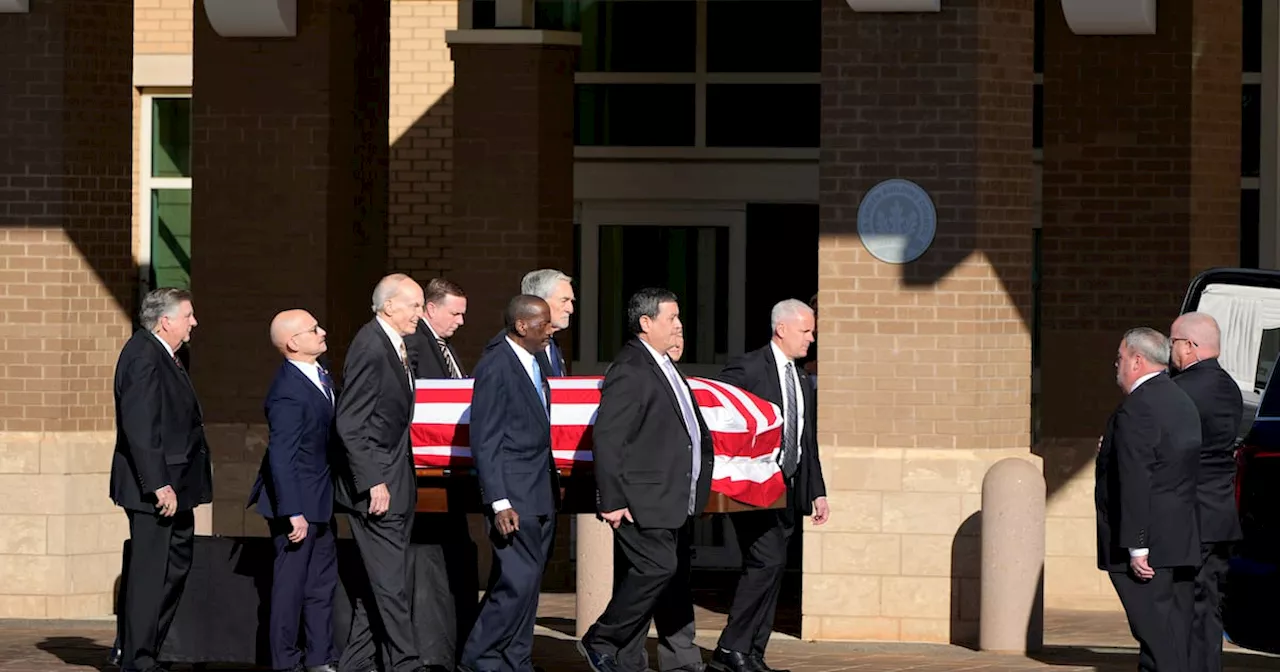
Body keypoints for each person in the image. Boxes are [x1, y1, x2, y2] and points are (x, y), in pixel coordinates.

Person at [578, 288, 715, 672]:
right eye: (671, 318)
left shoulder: (664, 365)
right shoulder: (631, 368)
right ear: (646, 323)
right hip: (642, 499)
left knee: (657, 574)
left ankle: (624, 659)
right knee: (657, 568)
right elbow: (607, 437)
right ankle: (601, 638)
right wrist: (612, 499)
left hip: (671, 498)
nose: (679, 325)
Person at [711, 299, 829, 672]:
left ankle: (752, 653)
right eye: (806, 331)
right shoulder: (747, 368)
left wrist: (817, 490)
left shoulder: (800, 376)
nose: (812, 339)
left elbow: (805, 439)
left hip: (790, 487)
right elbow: (722, 420)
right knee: (767, 559)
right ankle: (731, 648)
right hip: (753, 487)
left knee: (773, 568)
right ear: (782, 329)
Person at [109, 287, 212, 672]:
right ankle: (137, 657)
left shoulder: (166, 354)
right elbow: (140, 426)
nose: (194, 323)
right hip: (155, 489)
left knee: (175, 566)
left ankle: (146, 648)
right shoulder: (142, 355)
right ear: (166, 320)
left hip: (178, 486)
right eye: (188, 315)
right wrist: (157, 483)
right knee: (151, 573)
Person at [332, 273, 429, 672]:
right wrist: (373, 480)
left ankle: (356, 662)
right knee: (391, 583)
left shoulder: (396, 345)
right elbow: (350, 422)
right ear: (389, 306)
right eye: (415, 306)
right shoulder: (370, 346)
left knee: (384, 580)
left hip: (398, 480)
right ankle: (405, 664)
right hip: (379, 487)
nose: (419, 316)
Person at [458, 295, 560, 672]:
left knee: (528, 585)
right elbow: (485, 439)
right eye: (544, 323)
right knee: (516, 583)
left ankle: (516, 659)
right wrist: (498, 501)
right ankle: (478, 658)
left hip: (539, 492)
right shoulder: (496, 365)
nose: (551, 329)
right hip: (514, 497)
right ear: (522, 325)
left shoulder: (534, 362)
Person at [1097, 327, 1201, 672]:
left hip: (1149, 549)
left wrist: (1137, 546)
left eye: (1120, 358)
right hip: (1180, 539)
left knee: (1158, 646)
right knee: (1174, 639)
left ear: (1137, 361)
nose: (1116, 365)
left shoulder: (1138, 408)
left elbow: (1137, 479)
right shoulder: (1179, 399)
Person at [246, 310, 340, 672]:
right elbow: (281, 456)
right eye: (313, 329)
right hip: (297, 505)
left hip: (322, 499)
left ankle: (320, 658)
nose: (322, 331)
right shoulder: (287, 391)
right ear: (293, 343)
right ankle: (285, 662)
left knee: (321, 585)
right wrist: (292, 511)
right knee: (290, 589)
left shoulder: (320, 375)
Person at [1169, 312, 1244, 672]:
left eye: (1173, 343)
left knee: (1183, 607)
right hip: (1220, 514)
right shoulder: (1230, 388)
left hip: (1189, 516)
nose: (1171, 351)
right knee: (1210, 607)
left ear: (1190, 346)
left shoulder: (1179, 391)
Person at [406, 277, 468, 380]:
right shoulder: (413, 341)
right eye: (455, 314)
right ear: (432, 309)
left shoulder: (442, 342)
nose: (460, 321)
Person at [520, 269, 575, 376]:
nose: (570, 309)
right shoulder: (517, 348)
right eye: (564, 300)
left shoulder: (552, 344)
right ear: (539, 302)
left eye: (571, 301)